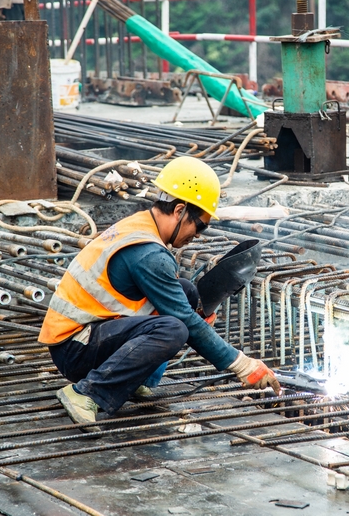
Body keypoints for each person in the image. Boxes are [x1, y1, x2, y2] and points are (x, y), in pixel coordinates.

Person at [38, 157, 281, 432]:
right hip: (74, 349)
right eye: (199, 226)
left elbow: (180, 306)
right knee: (173, 329)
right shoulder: (149, 255)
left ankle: (133, 380)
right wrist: (243, 365)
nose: (198, 235)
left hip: (87, 335)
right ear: (179, 210)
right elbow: (184, 322)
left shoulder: (142, 224)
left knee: (186, 292)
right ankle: (86, 393)